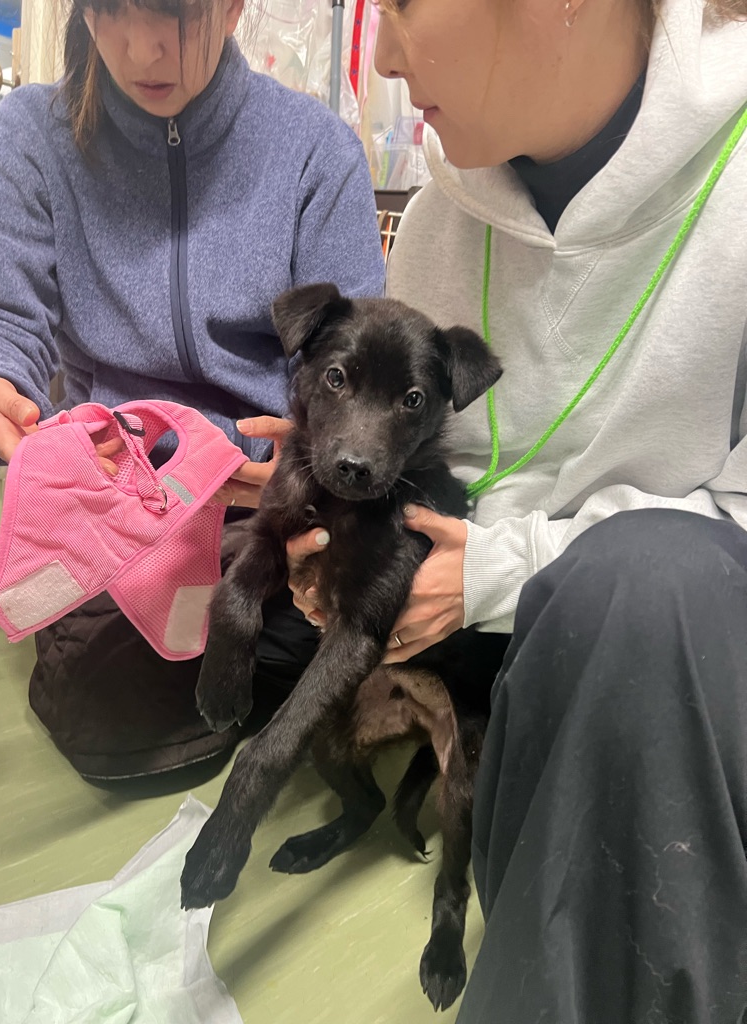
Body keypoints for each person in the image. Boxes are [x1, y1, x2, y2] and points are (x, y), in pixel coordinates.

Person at [288, 0, 747, 1017]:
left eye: (401, 6)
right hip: (489, 657)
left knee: (649, 584)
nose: (382, 54)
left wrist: (499, 571)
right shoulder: (440, 219)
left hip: (668, 650)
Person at [0, 0, 385, 779]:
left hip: (273, 502)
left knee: (346, 653)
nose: (142, 49)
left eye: (175, 14)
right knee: (116, 722)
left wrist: (308, 466)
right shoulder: (28, 139)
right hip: (121, 500)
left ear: (231, 7)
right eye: (111, 11)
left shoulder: (314, 151)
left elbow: (349, 359)